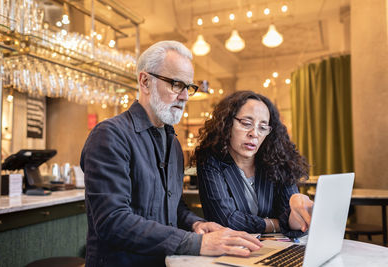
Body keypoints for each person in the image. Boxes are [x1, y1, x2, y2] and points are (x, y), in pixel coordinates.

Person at [80, 41, 262, 267]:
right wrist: (196, 243)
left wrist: (195, 224)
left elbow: (172, 206)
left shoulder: (172, 143)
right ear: (145, 81)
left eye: (189, 87)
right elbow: (112, 220)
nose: (185, 96)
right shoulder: (110, 135)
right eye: (176, 84)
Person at [193, 91, 313, 238]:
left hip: (275, 251)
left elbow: (295, 226)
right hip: (231, 251)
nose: (254, 133)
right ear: (227, 123)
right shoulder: (210, 162)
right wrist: (278, 224)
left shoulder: (278, 162)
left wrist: (299, 211)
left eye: (262, 128)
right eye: (246, 123)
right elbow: (226, 220)